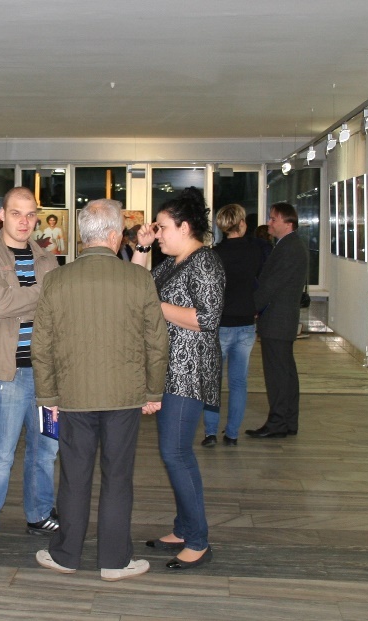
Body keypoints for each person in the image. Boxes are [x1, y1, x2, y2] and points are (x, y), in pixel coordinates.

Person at [32, 199, 168, 582]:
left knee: (73, 478)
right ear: (113, 236)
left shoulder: (56, 280)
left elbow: (41, 347)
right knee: (118, 477)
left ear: (82, 236)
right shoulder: (139, 279)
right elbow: (157, 342)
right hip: (125, 396)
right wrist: (153, 391)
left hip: (72, 396)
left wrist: (48, 399)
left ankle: (66, 555)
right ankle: (114, 561)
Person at [0, 187, 60, 557]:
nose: (24, 221)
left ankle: (39, 514)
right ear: (2, 215)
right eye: (16, 213)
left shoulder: (47, 259)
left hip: (47, 371)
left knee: (46, 448)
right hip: (8, 371)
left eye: (30, 214)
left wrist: (13, 300)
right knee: (1, 452)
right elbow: (3, 304)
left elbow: (56, 309)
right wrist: (44, 292)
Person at [132, 187, 223, 570]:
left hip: (190, 372)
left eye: (162, 227)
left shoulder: (205, 262)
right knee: (174, 452)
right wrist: (141, 247)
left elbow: (207, 319)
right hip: (168, 370)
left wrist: (157, 306)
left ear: (185, 227)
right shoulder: (172, 262)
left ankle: (198, 540)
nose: (158, 233)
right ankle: (184, 529)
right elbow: (137, 286)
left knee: (176, 454)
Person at [200, 204, 264, 447]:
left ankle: (210, 433)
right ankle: (232, 434)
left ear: (222, 226)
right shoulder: (255, 251)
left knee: (213, 382)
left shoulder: (215, 254)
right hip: (246, 323)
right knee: (238, 383)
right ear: (242, 223)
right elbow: (259, 283)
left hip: (220, 324)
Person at [246, 202, 309, 439]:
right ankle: (288, 420)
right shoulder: (289, 245)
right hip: (281, 319)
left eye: (274, 219)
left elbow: (270, 286)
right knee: (286, 372)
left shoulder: (289, 248)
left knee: (278, 375)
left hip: (278, 320)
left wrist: (250, 308)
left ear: (288, 223)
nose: (269, 223)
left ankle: (278, 422)